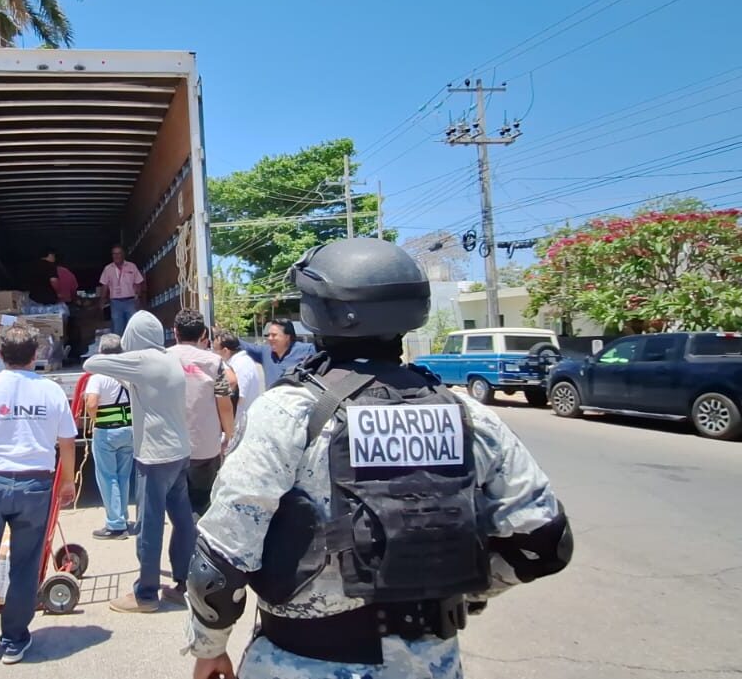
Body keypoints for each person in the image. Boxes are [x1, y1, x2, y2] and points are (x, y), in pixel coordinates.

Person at [183, 239, 573, 679]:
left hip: (300, 661)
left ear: (319, 313)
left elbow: (219, 561)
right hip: (433, 664)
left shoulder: (289, 412)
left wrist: (209, 647)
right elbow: (545, 541)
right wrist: (458, 592)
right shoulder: (466, 414)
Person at [0, 325, 77, 666]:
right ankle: (14, 640)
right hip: (35, 486)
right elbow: (67, 441)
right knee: (24, 566)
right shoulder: (51, 393)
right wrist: (67, 481)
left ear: (0, 355)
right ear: (36, 356)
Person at [84, 311, 195, 614]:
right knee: (184, 522)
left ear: (134, 337)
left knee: (149, 525)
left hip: (155, 456)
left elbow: (90, 364)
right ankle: (184, 584)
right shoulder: (169, 359)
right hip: (180, 452)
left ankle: (146, 594)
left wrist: (119, 350)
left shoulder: (143, 361)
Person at [167, 310, 235, 518]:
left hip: (170, 448)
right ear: (204, 334)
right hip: (205, 448)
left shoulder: (162, 358)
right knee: (203, 504)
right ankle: (197, 545)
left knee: (177, 509)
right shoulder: (214, 363)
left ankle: (183, 544)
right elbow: (224, 403)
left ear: (175, 332)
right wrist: (230, 436)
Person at [84, 333, 134, 540]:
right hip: (129, 430)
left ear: (100, 353)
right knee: (123, 477)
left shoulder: (97, 377)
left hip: (106, 431)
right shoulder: (129, 375)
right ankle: (122, 516)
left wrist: (94, 420)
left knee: (107, 477)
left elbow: (92, 404)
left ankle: (115, 525)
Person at [212, 329, 265, 445]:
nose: (213, 354)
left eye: (215, 350)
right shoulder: (242, 362)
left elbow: (238, 398)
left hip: (240, 427)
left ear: (225, 351)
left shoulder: (240, 365)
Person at [242, 319, 316, 389]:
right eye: (269, 335)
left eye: (274, 335)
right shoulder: (265, 352)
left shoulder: (306, 350)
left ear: (287, 337)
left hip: (297, 400)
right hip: (272, 400)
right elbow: (242, 345)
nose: (269, 338)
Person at [98, 245, 146, 335]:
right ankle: (119, 348)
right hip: (115, 303)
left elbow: (138, 282)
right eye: (114, 254)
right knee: (117, 329)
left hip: (130, 302)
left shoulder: (132, 266)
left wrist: (138, 297)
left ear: (123, 255)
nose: (116, 256)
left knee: (133, 328)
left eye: (119, 253)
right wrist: (102, 301)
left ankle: (133, 348)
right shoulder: (107, 269)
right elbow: (104, 286)